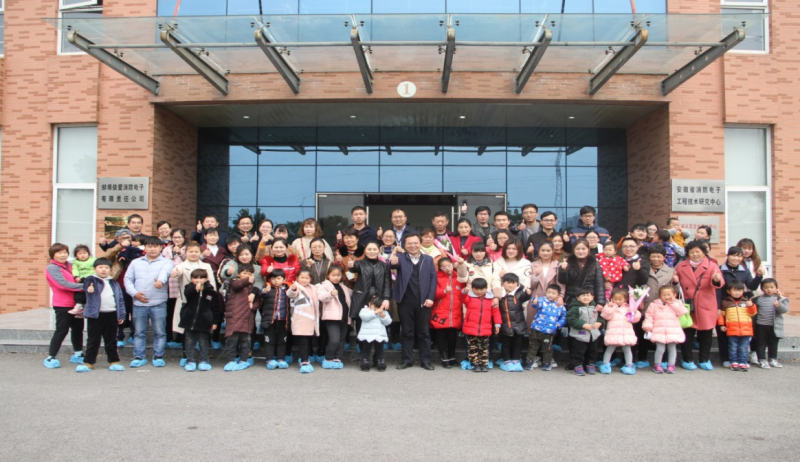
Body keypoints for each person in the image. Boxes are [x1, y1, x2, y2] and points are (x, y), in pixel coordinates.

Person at [124, 236, 174, 368]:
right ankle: (139, 357)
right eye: (150, 246)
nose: (152, 249)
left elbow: (165, 272)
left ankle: (158, 356)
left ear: (161, 248)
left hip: (158, 303)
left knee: (160, 332)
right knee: (139, 332)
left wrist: (160, 282)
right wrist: (134, 293)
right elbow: (127, 279)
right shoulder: (135, 262)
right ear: (144, 248)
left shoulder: (167, 262)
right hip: (139, 303)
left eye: (155, 246)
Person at [675, 240, 724, 371]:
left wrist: (716, 280)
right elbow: (675, 284)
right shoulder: (681, 266)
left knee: (706, 333)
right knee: (687, 332)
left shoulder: (712, 266)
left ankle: (704, 359)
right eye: (692, 252)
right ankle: (687, 359)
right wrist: (675, 282)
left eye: (698, 252)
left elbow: (719, 283)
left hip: (705, 303)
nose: (695, 254)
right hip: (687, 304)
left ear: (704, 253)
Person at [391, 233, 437, 370]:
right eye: (409, 243)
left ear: (420, 244)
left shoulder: (428, 259)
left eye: (415, 243)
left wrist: (430, 297)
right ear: (404, 245)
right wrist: (391, 262)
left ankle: (426, 360)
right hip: (405, 301)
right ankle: (407, 360)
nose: (413, 246)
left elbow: (433, 279)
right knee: (407, 332)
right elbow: (390, 267)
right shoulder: (400, 258)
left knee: (424, 332)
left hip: (424, 301)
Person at [76, 258, 126, 372]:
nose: (103, 270)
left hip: (112, 314)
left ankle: (114, 361)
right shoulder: (91, 280)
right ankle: (88, 362)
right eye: (100, 267)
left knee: (111, 339)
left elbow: (120, 300)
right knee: (93, 339)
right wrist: (90, 289)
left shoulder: (114, 283)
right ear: (95, 269)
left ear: (110, 269)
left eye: (106, 267)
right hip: (96, 315)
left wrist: (121, 315)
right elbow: (87, 287)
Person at [716, 246, 763, 367]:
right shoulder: (720, 269)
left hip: (739, 305)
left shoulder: (745, 271)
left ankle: (740, 359)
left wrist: (759, 276)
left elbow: (751, 286)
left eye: (739, 256)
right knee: (722, 332)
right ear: (728, 256)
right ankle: (725, 358)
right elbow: (717, 290)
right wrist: (718, 307)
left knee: (738, 333)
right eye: (733, 255)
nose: (736, 258)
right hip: (724, 304)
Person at [170, 242, 218, 353]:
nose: (193, 254)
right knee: (186, 331)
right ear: (186, 253)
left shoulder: (206, 266)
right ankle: (186, 355)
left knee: (203, 331)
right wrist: (174, 273)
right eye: (190, 251)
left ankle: (203, 357)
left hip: (203, 303)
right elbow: (177, 272)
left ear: (200, 253)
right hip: (187, 301)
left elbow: (212, 284)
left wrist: (211, 296)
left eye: (196, 251)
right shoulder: (181, 266)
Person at [180, 269, 220, 372]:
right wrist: (195, 289)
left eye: (202, 278)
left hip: (204, 321)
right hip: (190, 320)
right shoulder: (188, 288)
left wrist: (215, 322)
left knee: (203, 341)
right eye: (195, 278)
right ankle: (190, 361)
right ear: (191, 279)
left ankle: (203, 360)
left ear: (206, 279)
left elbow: (215, 308)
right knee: (189, 341)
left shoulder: (211, 292)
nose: (199, 280)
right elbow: (187, 294)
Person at [432, 257, 467, 368]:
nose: (447, 269)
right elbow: (433, 293)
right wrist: (444, 291)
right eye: (443, 267)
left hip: (455, 311)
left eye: (449, 266)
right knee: (441, 336)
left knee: (452, 336)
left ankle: (452, 357)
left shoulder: (459, 277)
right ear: (440, 268)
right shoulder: (437, 277)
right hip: (440, 310)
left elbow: (463, 293)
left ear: (453, 264)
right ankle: (444, 358)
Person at [643, 285, 687, 374]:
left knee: (672, 349)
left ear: (674, 295)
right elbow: (649, 316)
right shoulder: (654, 305)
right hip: (659, 330)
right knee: (660, 349)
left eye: (669, 294)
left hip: (673, 331)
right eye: (664, 295)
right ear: (660, 296)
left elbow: (682, 312)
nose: (666, 297)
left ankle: (671, 365)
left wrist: (673, 303)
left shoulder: (677, 303)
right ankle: (657, 364)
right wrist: (647, 327)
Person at [222, 264, 258, 372]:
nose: (247, 276)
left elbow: (258, 301)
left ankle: (243, 360)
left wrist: (253, 305)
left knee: (246, 341)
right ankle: (230, 360)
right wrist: (247, 280)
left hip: (247, 318)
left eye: (250, 274)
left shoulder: (253, 289)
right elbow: (238, 285)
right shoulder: (234, 282)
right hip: (235, 317)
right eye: (244, 273)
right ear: (238, 274)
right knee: (232, 340)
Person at [461, 278, 500, 372]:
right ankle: (475, 364)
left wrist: (497, 324)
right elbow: (461, 298)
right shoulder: (469, 298)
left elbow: (496, 312)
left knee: (484, 347)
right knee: (472, 347)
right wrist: (464, 291)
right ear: (472, 289)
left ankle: (484, 363)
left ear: (486, 288)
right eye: (476, 289)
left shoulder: (490, 299)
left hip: (485, 328)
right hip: (471, 327)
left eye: (481, 289)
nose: (479, 291)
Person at [599, 288, 641, 375]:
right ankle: (605, 364)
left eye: (620, 299)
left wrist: (635, 312)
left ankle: (629, 365)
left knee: (627, 349)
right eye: (615, 299)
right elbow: (606, 316)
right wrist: (610, 307)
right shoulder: (609, 307)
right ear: (611, 299)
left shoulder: (629, 308)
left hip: (626, 332)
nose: (617, 301)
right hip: (613, 332)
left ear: (625, 299)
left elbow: (634, 320)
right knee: (610, 349)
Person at [317, 266, 352, 369]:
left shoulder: (343, 287)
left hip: (344, 317)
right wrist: (330, 294)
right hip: (332, 317)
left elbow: (353, 294)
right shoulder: (324, 285)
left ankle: (338, 358)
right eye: (333, 275)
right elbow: (321, 297)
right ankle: (328, 358)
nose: (336, 277)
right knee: (334, 340)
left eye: (338, 275)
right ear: (328, 275)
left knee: (342, 340)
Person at [496, 273, 532, 372]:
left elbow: (526, 297)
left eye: (513, 283)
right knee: (506, 344)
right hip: (505, 324)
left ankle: (516, 360)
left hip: (519, 324)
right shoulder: (500, 294)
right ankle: (506, 361)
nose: (511, 285)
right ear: (503, 283)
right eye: (508, 283)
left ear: (517, 284)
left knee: (518, 343)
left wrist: (528, 293)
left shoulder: (519, 293)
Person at [718, 281, 757, 371]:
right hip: (732, 329)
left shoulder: (746, 302)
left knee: (743, 347)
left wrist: (751, 306)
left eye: (740, 290)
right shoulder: (725, 302)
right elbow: (721, 315)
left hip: (746, 329)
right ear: (728, 291)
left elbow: (753, 313)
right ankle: (734, 362)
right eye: (735, 290)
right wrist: (721, 325)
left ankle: (743, 362)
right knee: (733, 347)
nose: (737, 293)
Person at [751, 278, 790, 369]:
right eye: (766, 287)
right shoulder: (757, 299)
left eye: (772, 287)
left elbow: (784, 310)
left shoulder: (780, 299)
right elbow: (752, 310)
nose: (769, 289)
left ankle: (773, 359)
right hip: (760, 325)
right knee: (761, 343)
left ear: (776, 288)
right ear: (762, 289)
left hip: (774, 326)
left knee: (773, 344)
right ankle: (762, 360)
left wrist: (779, 305)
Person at [287, 269, 320, 374]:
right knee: (303, 340)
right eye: (302, 277)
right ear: (297, 278)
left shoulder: (314, 288)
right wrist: (292, 289)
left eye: (307, 278)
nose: (304, 280)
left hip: (311, 318)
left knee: (308, 340)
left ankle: (305, 358)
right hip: (300, 317)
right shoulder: (296, 286)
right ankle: (304, 361)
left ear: (310, 279)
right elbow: (290, 294)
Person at [528, 284, 567, 372]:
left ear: (558, 295)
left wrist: (558, 325)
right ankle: (529, 361)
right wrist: (535, 301)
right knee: (533, 346)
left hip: (549, 331)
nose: (550, 295)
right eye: (548, 292)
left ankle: (547, 363)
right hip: (536, 329)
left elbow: (564, 317)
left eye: (553, 293)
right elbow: (536, 305)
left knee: (548, 348)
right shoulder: (542, 300)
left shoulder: (560, 305)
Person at [566, 288, 604, 376]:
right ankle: (577, 365)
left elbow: (601, 316)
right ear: (578, 298)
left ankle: (590, 364)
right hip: (579, 335)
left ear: (592, 297)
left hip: (593, 335)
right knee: (578, 351)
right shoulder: (575, 308)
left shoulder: (595, 307)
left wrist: (600, 322)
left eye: (588, 295)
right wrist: (582, 325)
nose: (586, 297)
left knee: (593, 351)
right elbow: (571, 319)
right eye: (583, 295)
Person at [558, 239, 606, 307]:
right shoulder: (568, 262)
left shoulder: (595, 263)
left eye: (583, 249)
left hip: (589, 300)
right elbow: (563, 281)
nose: (580, 251)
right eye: (578, 249)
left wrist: (600, 303)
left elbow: (599, 284)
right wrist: (563, 270)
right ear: (573, 250)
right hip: (572, 300)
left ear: (588, 249)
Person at [259, 269, 291, 370]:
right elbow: (261, 295)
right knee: (269, 340)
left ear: (284, 279)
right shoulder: (267, 288)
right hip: (270, 320)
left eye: (278, 278)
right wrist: (265, 291)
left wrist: (294, 289)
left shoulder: (288, 289)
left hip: (283, 319)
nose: (276, 280)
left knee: (282, 340)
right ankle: (269, 359)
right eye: (273, 278)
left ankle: (281, 359)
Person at [163, 229, 187, 348]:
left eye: (179, 237)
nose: (177, 239)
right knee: (170, 311)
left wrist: (180, 253)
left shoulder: (187, 248)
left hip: (183, 283)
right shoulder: (167, 249)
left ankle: (180, 338)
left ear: (184, 237)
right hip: (170, 284)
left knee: (182, 312)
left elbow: (189, 261)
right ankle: (169, 337)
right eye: (175, 237)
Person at [358, 295, 392, 372]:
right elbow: (364, 317)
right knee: (366, 350)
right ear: (369, 304)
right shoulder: (364, 310)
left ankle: (380, 362)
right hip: (367, 335)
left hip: (379, 335)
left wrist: (383, 316)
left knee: (380, 350)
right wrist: (375, 312)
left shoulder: (383, 312)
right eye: (375, 306)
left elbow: (388, 322)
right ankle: (365, 362)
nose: (376, 308)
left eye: (378, 306)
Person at [68, 244, 96, 317]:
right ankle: (79, 305)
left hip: (92, 278)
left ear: (88, 253)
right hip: (82, 278)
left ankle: (88, 307)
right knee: (79, 291)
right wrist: (76, 276)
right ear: (76, 255)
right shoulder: (75, 262)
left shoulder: (93, 260)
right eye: (80, 254)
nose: (83, 255)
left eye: (84, 253)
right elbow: (75, 270)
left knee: (90, 292)